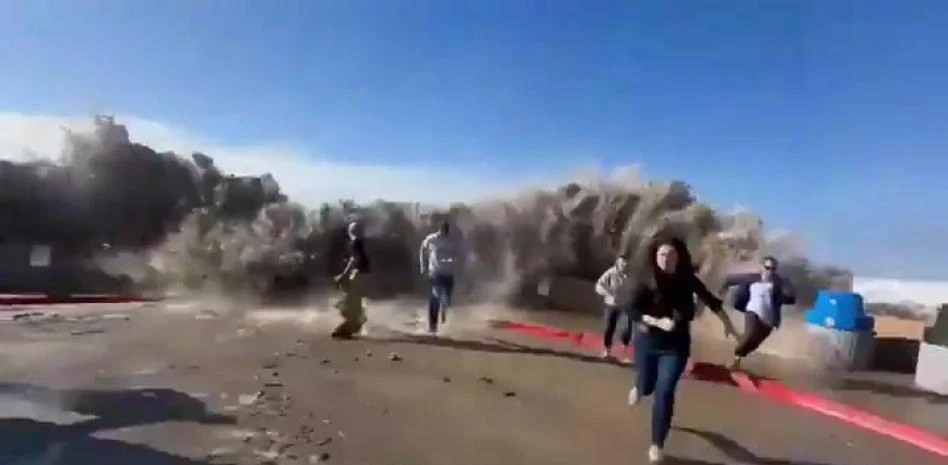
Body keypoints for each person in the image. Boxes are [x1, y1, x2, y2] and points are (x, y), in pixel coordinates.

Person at [627, 237, 736, 464]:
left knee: (664, 392)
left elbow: (711, 300)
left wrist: (728, 324)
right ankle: (639, 386)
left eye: (671, 255)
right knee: (647, 387)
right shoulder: (646, 280)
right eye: (662, 255)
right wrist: (656, 322)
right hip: (648, 342)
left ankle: (657, 444)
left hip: (675, 346)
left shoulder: (687, 280)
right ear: (655, 257)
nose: (666, 259)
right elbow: (631, 309)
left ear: (679, 258)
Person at [721, 255, 796, 370]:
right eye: (767, 267)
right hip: (753, 312)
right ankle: (736, 358)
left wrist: (788, 284)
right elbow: (730, 279)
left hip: (769, 320)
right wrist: (722, 291)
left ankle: (738, 354)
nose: (770, 271)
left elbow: (791, 299)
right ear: (762, 267)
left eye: (773, 269)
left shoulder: (778, 283)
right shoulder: (752, 278)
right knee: (749, 337)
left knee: (754, 344)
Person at [419, 220, 466, 334]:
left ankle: (444, 311)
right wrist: (422, 265)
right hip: (435, 273)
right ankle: (432, 326)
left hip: (448, 274)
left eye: (446, 230)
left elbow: (459, 254)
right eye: (443, 229)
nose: (444, 232)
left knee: (447, 300)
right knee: (435, 298)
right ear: (439, 229)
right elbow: (422, 248)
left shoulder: (452, 241)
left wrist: (458, 263)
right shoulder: (432, 239)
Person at [331, 220, 371, 339]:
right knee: (354, 302)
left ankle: (351, 325)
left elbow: (354, 260)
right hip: (365, 275)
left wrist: (343, 275)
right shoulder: (364, 243)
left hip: (358, 275)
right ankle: (355, 324)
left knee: (351, 302)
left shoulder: (355, 243)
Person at [594, 254, 635, 362]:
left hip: (626, 305)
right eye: (621, 263)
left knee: (627, 328)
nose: (623, 265)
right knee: (609, 327)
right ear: (617, 263)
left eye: (625, 263)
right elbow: (598, 285)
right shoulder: (610, 273)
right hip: (611, 304)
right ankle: (607, 351)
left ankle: (625, 354)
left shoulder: (632, 274)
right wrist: (608, 293)